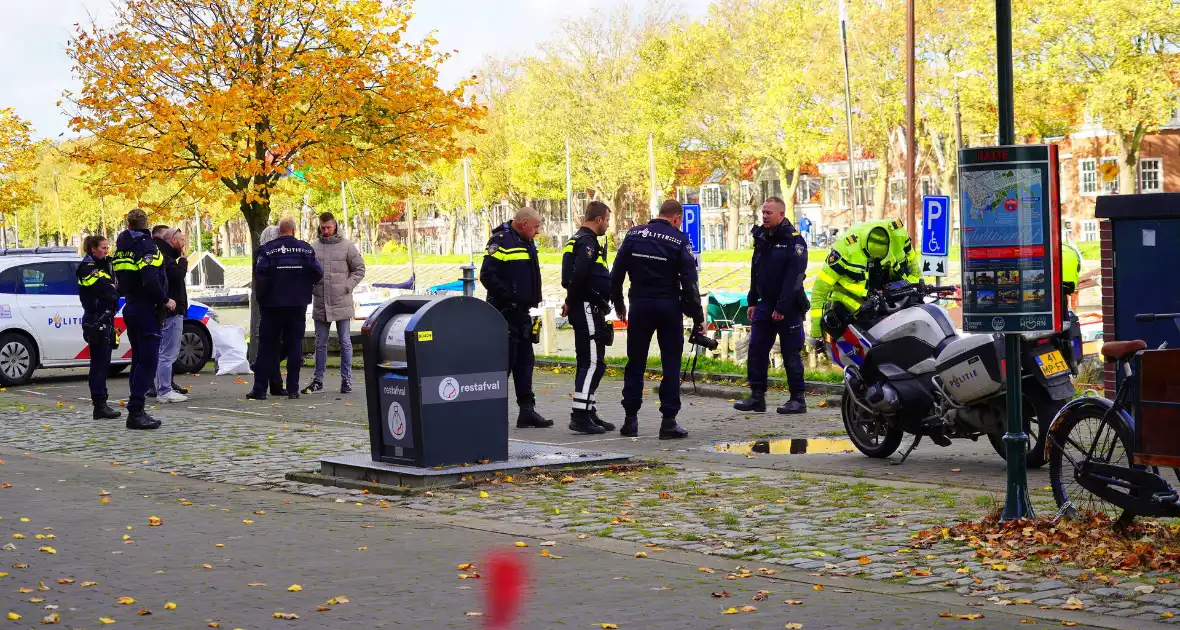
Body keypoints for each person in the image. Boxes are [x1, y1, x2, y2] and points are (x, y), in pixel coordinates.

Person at [610, 199, 703, 439]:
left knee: (635, 363)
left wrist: (619, 305)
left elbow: (616, 274)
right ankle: (668, 422)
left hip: (640, 305)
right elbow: (690, 283)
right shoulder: (679, 240)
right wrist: (698, 316)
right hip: (668, 307)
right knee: (670, 364)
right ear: (677, 219)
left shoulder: (633, 234)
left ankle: (630, 420)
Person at [734, 197, 810, 415]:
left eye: (769, 213)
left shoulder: (793, 241)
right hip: (764, 304)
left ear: (781, 214)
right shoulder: (761, 237)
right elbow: (755, 270)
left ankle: (798, 399)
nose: (765, 216)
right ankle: (757, 396)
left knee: (790, 353)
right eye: (763, 212)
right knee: (756, 348)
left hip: (788, 305)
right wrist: (751, 300)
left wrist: (782, 307)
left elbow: (795, 278)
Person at [480, 207, 552, 429]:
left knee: (525, 362)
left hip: (522, 312)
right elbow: (487, 275)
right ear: (523, 224)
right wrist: (509, 297)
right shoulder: (501, 241)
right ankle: (490, 413)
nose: (538, 231)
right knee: (504, 363)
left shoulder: (526, 241)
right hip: (504, 312)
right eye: (536, 226)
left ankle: (527, 411)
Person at [808, 218, 920, 348]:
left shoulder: (898, 233)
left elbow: (912, 263)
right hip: (852, 300)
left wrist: (918, 285)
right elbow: (820, 289)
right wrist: (816, 331)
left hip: (883, 290)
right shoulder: (845, 250)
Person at [247, 217, 322, 401]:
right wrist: (303, 287)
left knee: (266, 347)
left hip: (272, 306)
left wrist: (263, 299)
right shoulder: (305, 249)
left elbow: (260, 277)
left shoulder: (266, 251)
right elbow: (318, 273)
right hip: (297, 304)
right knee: (294, 346)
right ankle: (293, 389)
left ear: (279, 230)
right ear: (294, 231)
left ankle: (260, 390)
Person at [112, 208, 171, 430]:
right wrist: (165, 300)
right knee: (148, 361)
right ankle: (136, 411)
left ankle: (137, 408)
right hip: (147, 308)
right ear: (146, 225)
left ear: (128, 225)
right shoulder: (147, 247)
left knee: (138, 360)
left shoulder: (120, 250)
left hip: (131, 306)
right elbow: (150, 278)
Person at [561, 200, 614, 435]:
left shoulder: (575, 240)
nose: (608, 226)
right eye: (608, 221)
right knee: (591, 361)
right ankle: (580, 415)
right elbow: (579, 276)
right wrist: (580, 300)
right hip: (587, 306)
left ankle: (588, 409)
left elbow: (571, 278)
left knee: (595, 361)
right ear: (599, 219)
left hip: (586, 304)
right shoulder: (587, 242)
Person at [302, 211, 366, 395]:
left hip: (342, 300)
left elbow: (359, 269)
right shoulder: (313, 247)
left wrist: (348, 286)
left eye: (329, 227)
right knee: (320, 343)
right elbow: (307, 272)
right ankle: (318, 380)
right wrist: (312, 287)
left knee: (345, 341)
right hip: (321, 301)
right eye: (323, 228)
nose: (326, 231)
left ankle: (346, 380)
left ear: (335, 226)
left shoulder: (347, 247)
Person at [77, 235, 121, 420]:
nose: (106, 250)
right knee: (99, 364)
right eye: (103, 247)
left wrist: (114, 289)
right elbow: (106, 289)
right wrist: (113, 289)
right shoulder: (87, 268)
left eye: (107, 247)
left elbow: (116, 287)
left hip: (107, 318)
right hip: (96, 319)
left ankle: (102, 402)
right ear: (92, 249)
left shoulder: (105, 264)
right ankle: (99, 404)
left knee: (104, 363)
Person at [150, 226, 190, 403]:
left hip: (170, 309)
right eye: (181, 241)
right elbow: (176, 277)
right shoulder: (167, 259)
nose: (183, 244)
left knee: (164, 352)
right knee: (168, 353)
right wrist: (183, 262)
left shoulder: (163, 257)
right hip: (172, 311)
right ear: (173, 241)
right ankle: (164, 389)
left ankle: (163, 387)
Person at [250, 225, 287, 396]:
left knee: (270, 346)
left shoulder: (262, 254)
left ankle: (272, 384)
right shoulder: (269, 254)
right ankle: (267, 384)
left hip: (269, 304)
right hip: (275, 304)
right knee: (271, 346)